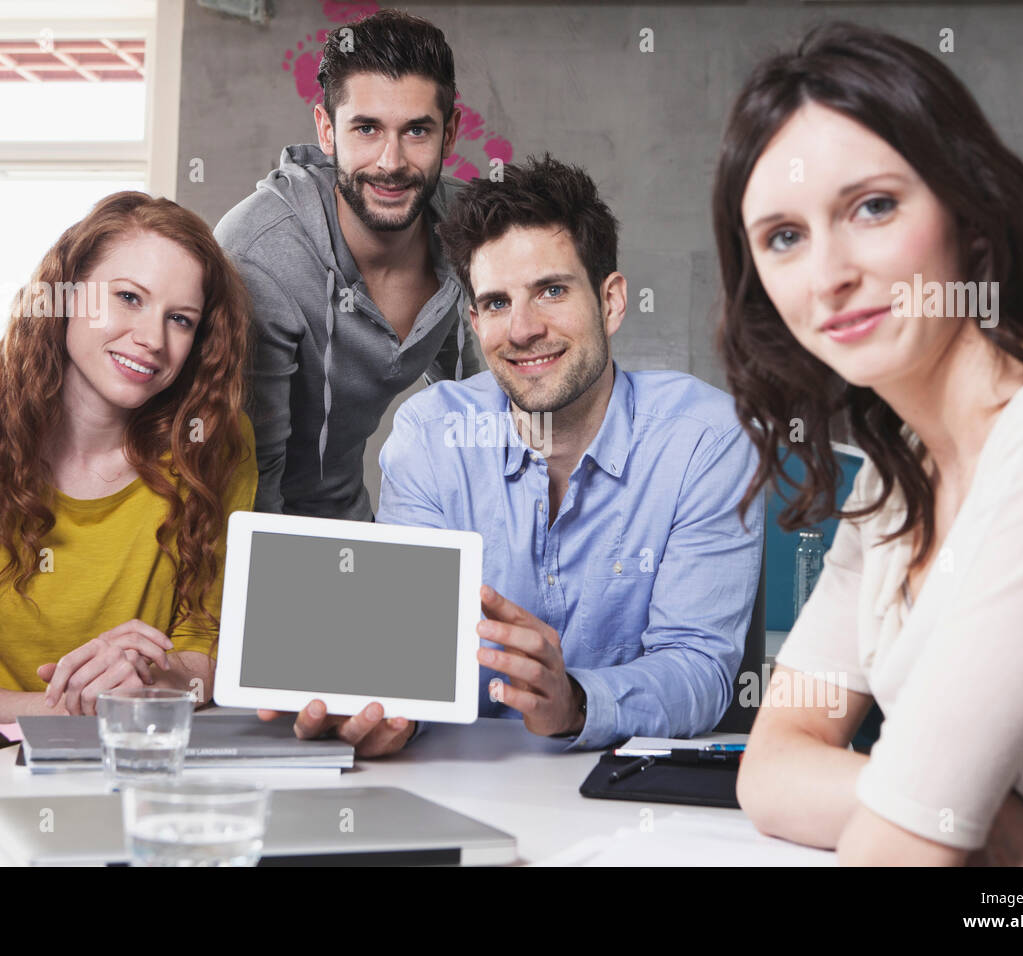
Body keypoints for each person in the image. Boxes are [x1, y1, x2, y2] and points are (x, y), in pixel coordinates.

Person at [715, 22, 1023, 866]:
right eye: (784, 237)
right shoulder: (891, 474)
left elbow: (901, 847)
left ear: (968, 211)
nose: (829, 273)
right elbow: (770, 767)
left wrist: (929, 815)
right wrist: (1001, 828)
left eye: (872, 206)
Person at [274, 155, 765, 755]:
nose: (524, 329)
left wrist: (576, 700)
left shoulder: (706, 441)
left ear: (610, 302)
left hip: (624, 805)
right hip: (456, 787)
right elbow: (407, 655)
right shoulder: (431, 437)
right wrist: (384, 713)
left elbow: (699, 668)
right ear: (475, 321)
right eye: (498, 303)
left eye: (552, 291)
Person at [0, 191, 258, 783]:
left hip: (125, 778)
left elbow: (208, 649)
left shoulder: (214, 446)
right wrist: (72, 708)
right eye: (128, 298)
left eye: (180, 319)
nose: (152, 337)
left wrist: (156, 677)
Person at [214, 9, 481, 522]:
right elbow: (250, 473)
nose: (390, 162)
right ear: (326, 130)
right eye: (366, 128)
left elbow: (474, 401)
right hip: (227, 527)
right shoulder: (261, 255)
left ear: (449, 135)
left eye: (417, 132)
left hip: (344, 517)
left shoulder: (468, 232)